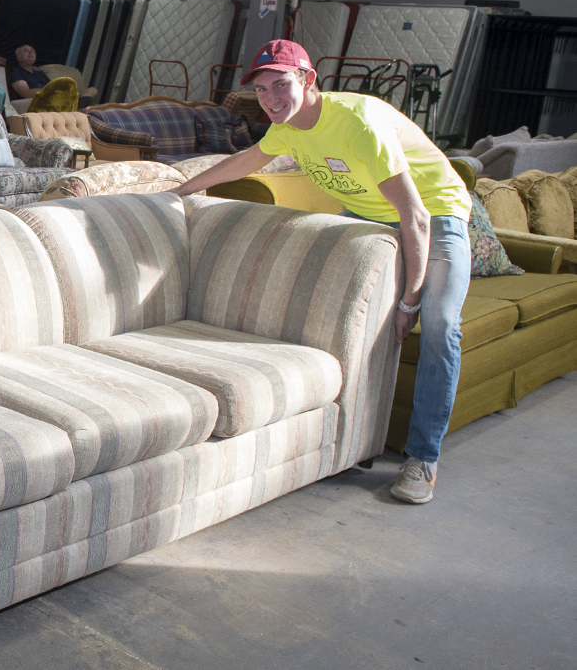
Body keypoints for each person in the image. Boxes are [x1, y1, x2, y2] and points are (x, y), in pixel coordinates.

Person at [175, 39, 471, 505]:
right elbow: (249, 159)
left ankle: (422, 458)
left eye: (281, 85)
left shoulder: (357, 124)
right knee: (332, 315)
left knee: (440, 325)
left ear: (309, 80)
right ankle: (348, 439)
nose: (270, 99)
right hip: (366, 215)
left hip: (436, 215)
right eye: (262, 90)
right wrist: (180, 191)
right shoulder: (287, 126)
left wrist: (409, 302)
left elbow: (416, 217)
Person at [8, 44, 99, 101]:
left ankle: (80, 100)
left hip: (58, 96)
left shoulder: (40, 73)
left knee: (93, 89)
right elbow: (26, 93)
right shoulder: (17, 73)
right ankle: (78, 102)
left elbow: (51, 85)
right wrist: (52, 90)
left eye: (32, 51)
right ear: (19, 58)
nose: (30, 53)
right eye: (26, 51)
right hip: (44, 98)